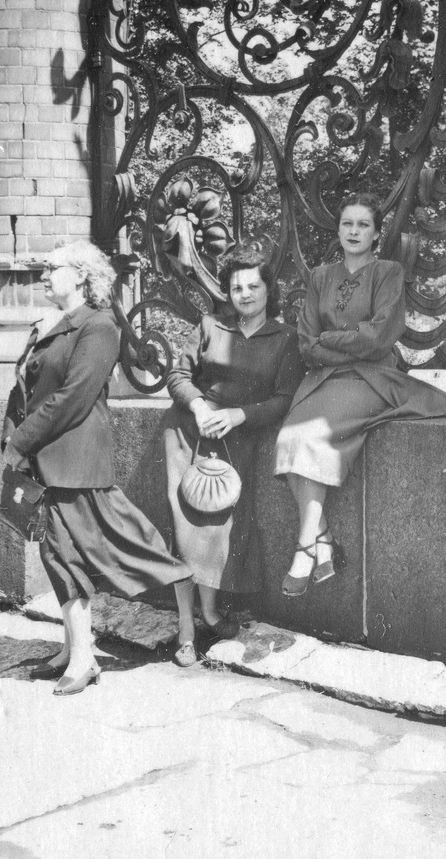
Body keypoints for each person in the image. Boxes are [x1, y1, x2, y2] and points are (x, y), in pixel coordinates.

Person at [2, 239, 187, 695]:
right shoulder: (49, 323)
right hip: (46, 457)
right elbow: (24, 391)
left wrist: (21, 441)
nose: (44, 276)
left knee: (71, 553)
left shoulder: (100, 326)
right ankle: (73, 650)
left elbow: (75, 397)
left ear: (82, 275)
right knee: (57, 553)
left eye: (52, 268)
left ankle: (86, 659)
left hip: (75, 457)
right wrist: (11, 437)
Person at [273, 193, 446, 597]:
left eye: (363, 225)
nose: (354, 232)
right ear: (338, 229)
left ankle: (305, 548)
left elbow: (379, 338)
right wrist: (332, 342)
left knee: (309, 438)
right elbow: (306, 342)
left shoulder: (388, 272)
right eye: (347, 224)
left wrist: (330, 339)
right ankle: (321, 540)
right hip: (322, 379)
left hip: (369, 379)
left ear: (376, 234)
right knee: (289, 438)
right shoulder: (321, 275)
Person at [163, 247, 304, 666]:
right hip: (188, 432)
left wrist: (239, 414)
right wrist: (200, 407)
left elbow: (284, 398)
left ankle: (208, 612)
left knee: (216, 529)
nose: (243, 293)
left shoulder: (285, 338)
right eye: (236, 286)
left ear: (268, 289)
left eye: (252, 286)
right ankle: (187, 630)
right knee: (183, 526)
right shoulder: (209, 326)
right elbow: (177, 375)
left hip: (235, 440)